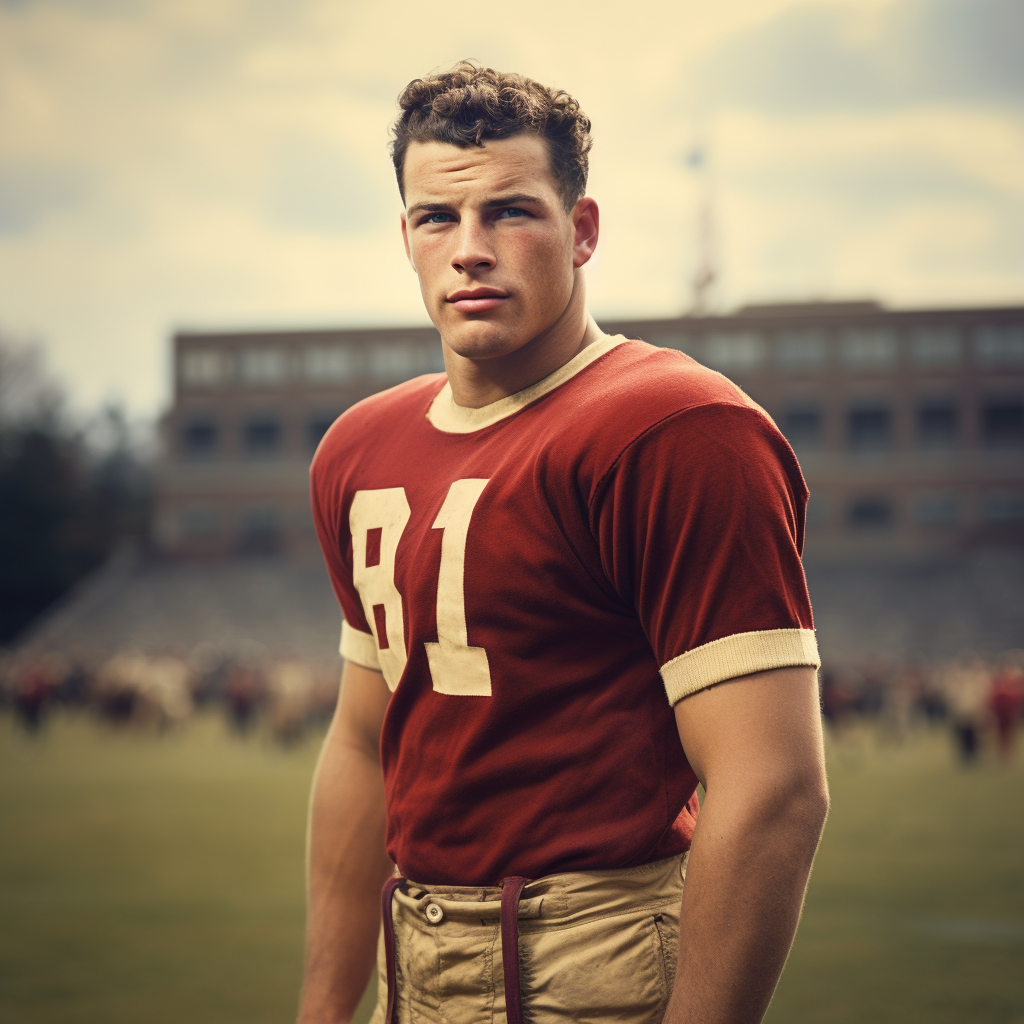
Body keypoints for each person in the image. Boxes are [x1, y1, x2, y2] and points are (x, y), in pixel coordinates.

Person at [300, 62, 828, 1024]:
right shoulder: (358, 448)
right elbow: (360, 743)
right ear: (405, 236)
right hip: (411, 958)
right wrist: (325, 1007)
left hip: (596, 958)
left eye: (510, 212)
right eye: (436, 218)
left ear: (582, 231)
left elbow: (774, 784)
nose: (469, 250)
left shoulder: (676, 427)